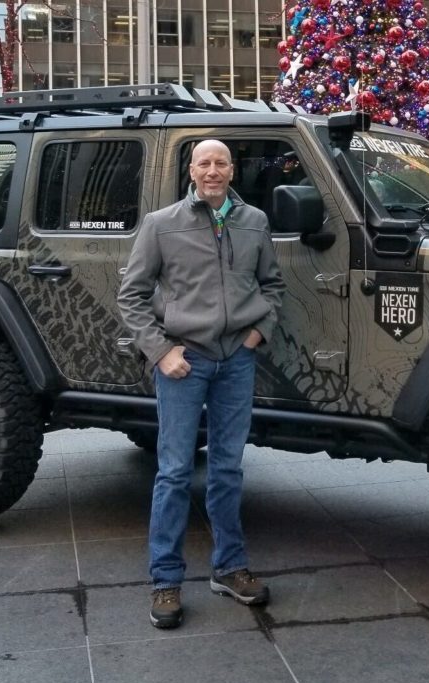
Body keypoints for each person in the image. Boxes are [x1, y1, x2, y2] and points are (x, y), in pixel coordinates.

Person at [117, 139, 286, 630]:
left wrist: (258, 332)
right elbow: (131, 295)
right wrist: (160, 351)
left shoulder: (254, 221)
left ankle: (229, 568)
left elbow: (273, 285)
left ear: (232, 170)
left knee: (228, 468)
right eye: (204, 163)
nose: (212, 170)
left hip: (236, 360)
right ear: (190, 171)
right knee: (173, 473)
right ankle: (165, 580)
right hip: (184, 362)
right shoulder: (161, 224)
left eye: (221, 163)